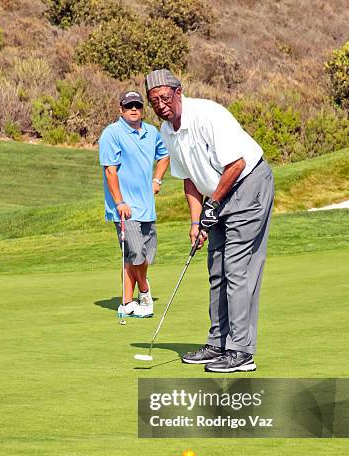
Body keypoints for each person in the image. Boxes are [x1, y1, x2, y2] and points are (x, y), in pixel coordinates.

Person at [145, 69, 274, 372]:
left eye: (164, 97)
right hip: (218, 193)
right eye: (154, 101)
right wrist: (196, 221)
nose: (161, 105)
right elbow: (189, 178)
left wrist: (213, 203)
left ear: (178, 92)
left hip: (248, 185)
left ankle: (241, 352)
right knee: (216, 269)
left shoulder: (208, 115)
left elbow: (237, 163)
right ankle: (218, 343)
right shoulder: (167, 131)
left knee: (236, 268)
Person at [99, 90, 169, 317]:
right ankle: (145, 291)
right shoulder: (112, 133)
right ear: (121, 109)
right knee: (136, 252)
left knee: (142, 257)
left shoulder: (152, 132)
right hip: (125, 208)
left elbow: (164, 155)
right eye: (129, 106)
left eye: (137, 106)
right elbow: (110, 171)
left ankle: (127, 304)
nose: (133, 110)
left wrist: (157, 179)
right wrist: (119, 202)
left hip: (147, 206)